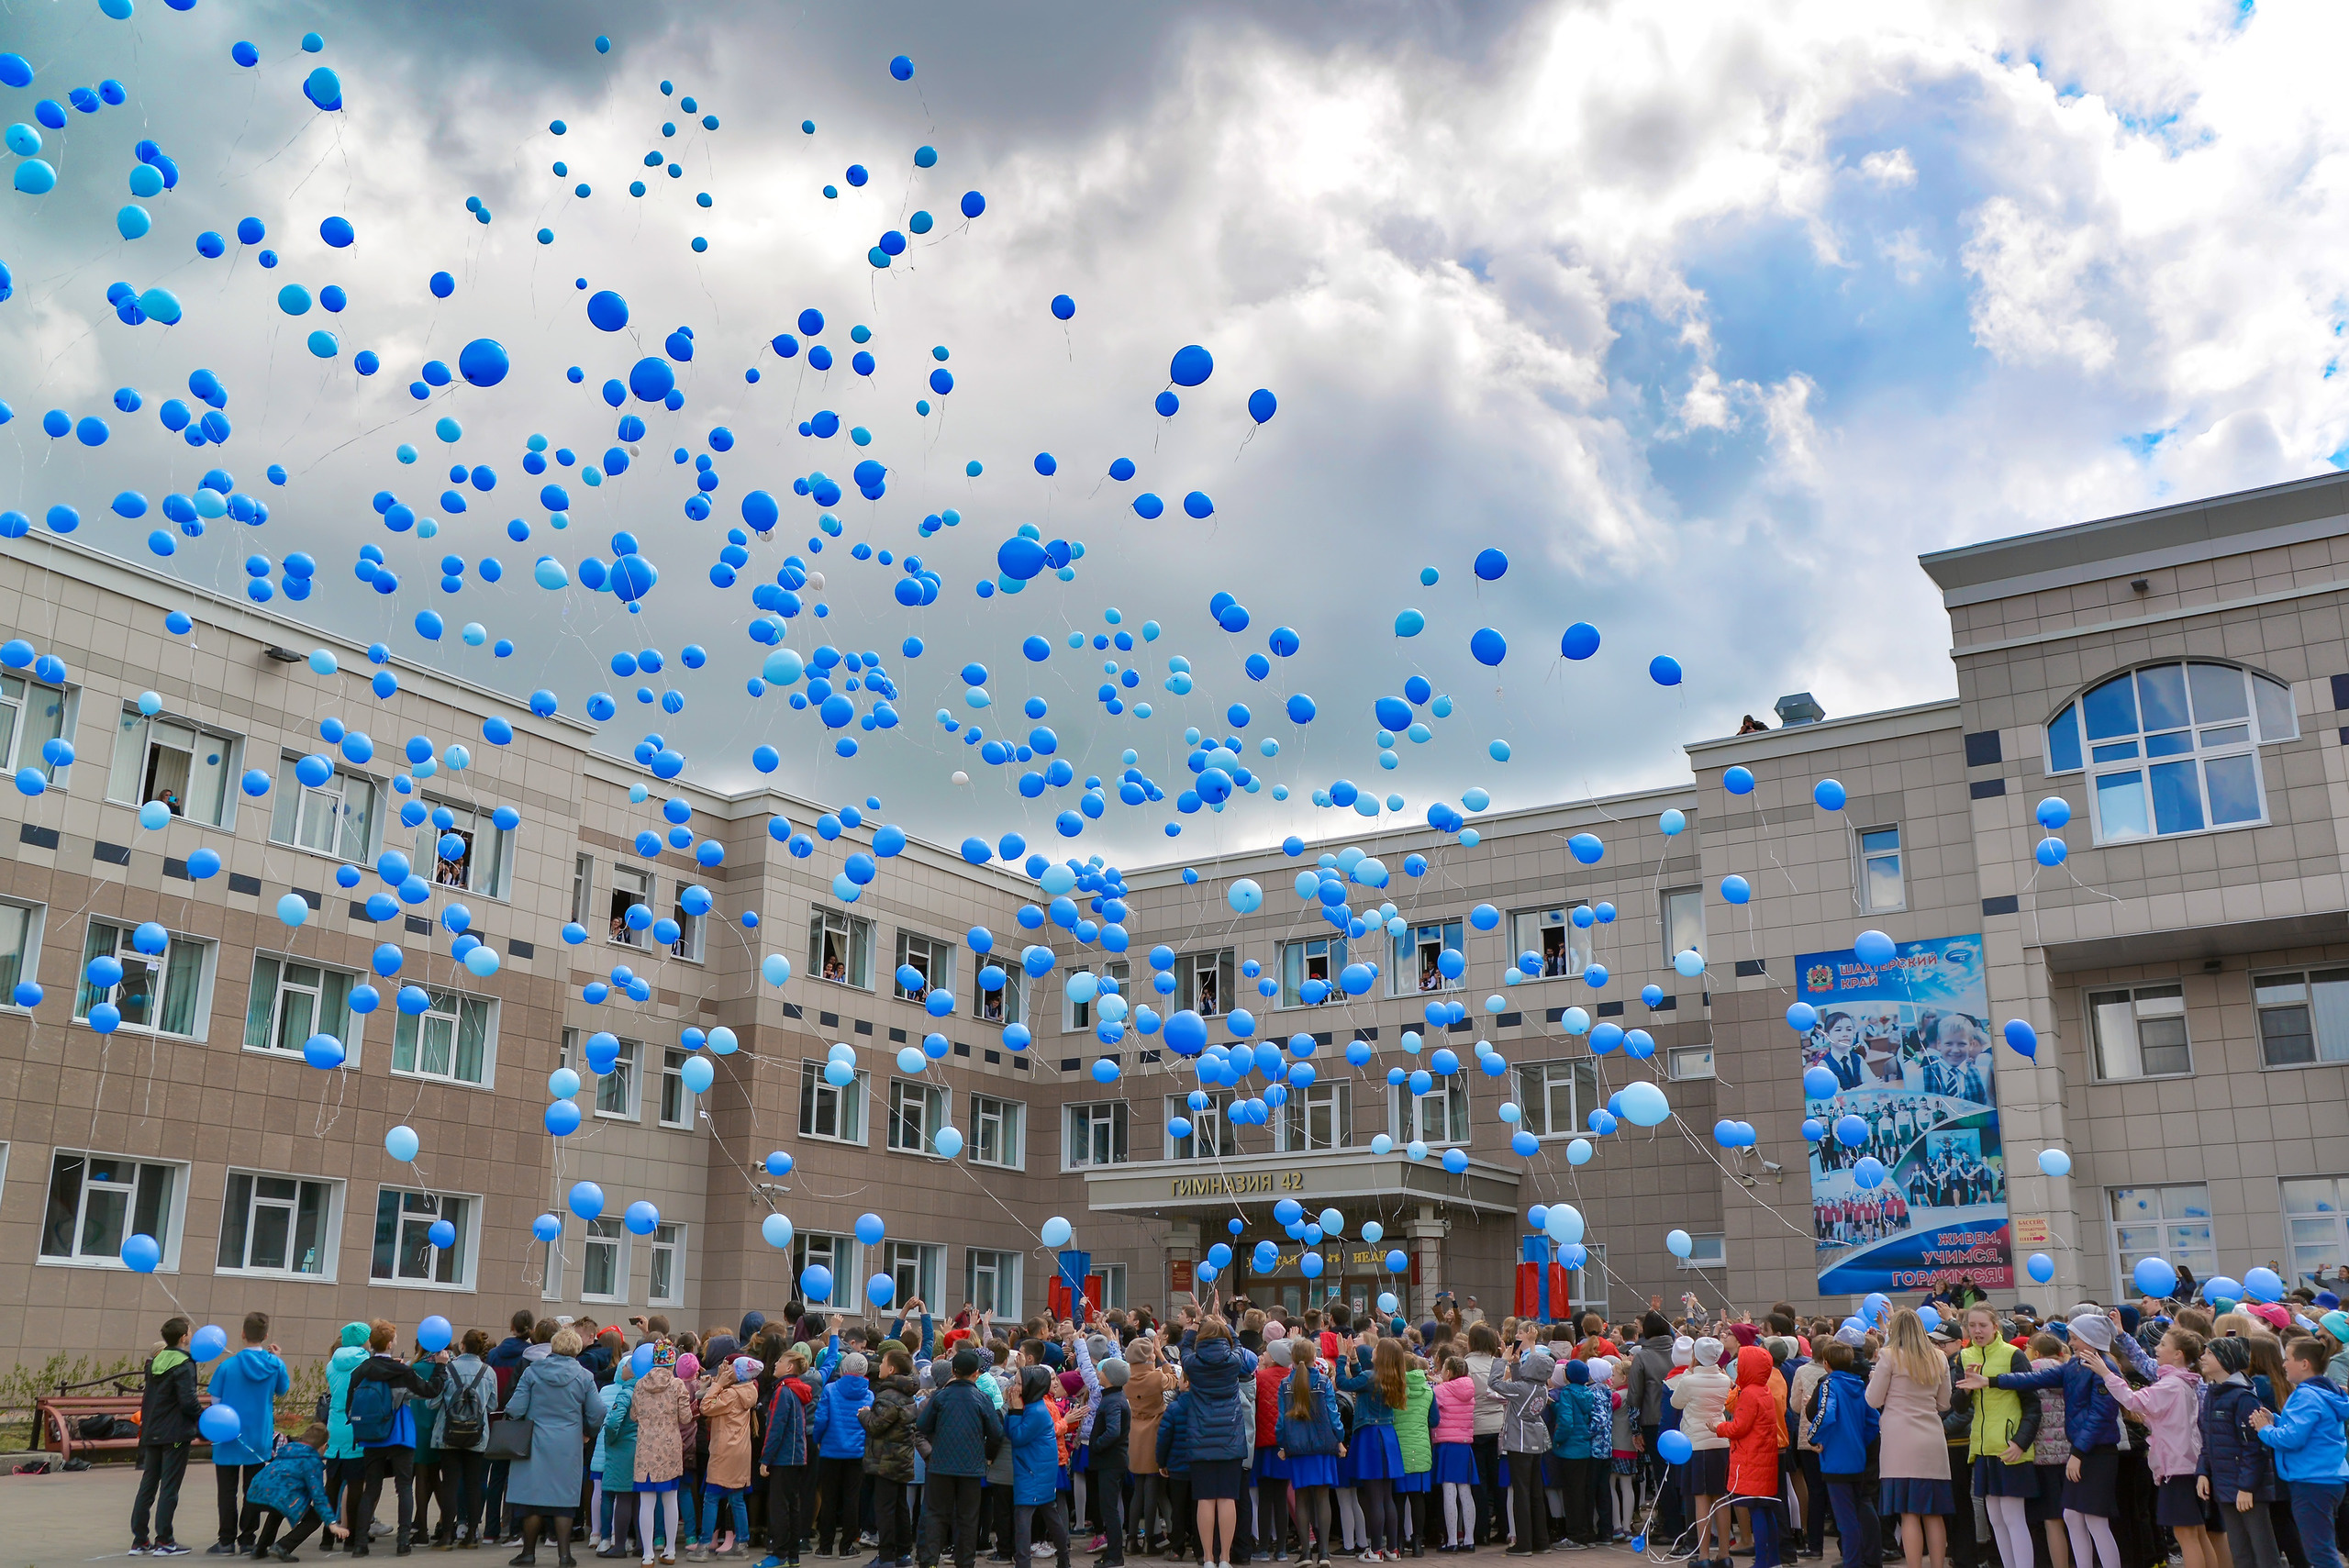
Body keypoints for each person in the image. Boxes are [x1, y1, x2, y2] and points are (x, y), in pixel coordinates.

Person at [1963, 1314, 2126, 1568]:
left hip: (2097, 1453)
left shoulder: (2105, 1369)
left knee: (2096, 1520)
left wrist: (2079, 1454)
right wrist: (1990, 1381)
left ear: (2092, 1340)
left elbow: (2100, 1417)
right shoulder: (2074, 1365)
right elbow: (2032, 1379)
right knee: (2072, 1517)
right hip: (2081, 1450)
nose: (2070, 1343)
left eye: (2075, 1338)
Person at [505, 1326, 610, 1568]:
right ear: (576, 1348)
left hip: (535, 1441)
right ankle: (565, 1556)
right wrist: (587, 1431)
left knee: (533, 1499)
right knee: (563, 1500)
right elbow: (598, 1412)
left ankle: (528, 1553)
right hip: (568, 1443)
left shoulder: (532, 1372)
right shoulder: (584, 1376)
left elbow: (516, 1407)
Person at [346, 1321, 451, 1557]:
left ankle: (360, 1543)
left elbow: (350, 1404)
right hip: (400, 1434)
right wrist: (440, 1367)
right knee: (404, 1487)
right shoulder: (401, 1372)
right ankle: (403, 1542)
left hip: (371, 1436)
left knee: (371, 1489)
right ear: (391, 1344)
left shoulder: (361, 1370)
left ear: (372, 1344)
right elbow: (430, 1391)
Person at [2248, 1339, 2349, 1568]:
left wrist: (2265, 1429)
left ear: (2304, 1364)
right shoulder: (2324, 1391)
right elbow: (2315, 1430)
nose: (2283, 1364)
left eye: (2287, 1359)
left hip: (2312, 1481)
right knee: (2321, 1547)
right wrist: (2278, 1421)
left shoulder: (2306, 1395)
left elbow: (2292, 1439)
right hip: (2327, 1477)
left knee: (2320, 1552)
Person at [1954, 1307, 2041, 1568]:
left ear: (1995, 1327)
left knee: (2014, 1518)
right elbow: (1957, 1406)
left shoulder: (2013, 1355)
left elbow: (2033, 1404)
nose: (1977, 1331)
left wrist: (2020, 1442)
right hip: (1982, 1448)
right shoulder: (1964, 1355)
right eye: (1972, 1325)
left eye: (1982, 1325)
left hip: (2010, 1447)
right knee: (1996, 1520)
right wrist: (1967, 1389)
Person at [1866, 1310, 1952, 1568]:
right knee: (1934, 1512)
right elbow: (1945, 1402)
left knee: (1909, 1512)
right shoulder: (1939, 1357)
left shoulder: (1888, 1356)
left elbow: (1873, 1400)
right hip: (1932, 1438)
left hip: (1899, 1440)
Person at [914, 1347, 1006, 1568]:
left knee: (936, 1515)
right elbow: (996, 1433)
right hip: (971, 1468)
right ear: (976, 1373)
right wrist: (987, 1456)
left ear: (953, 1371)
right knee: (968, 1518)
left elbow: (923, 1425)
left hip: (940, 1465)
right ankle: (965, 1563)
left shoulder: (940, 1397)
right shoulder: (982, 1399)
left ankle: (929, 1562)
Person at [211, 1311, 292, 1557]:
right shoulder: (275, 1364)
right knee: (253, 1489)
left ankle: (225, 1541)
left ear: (243, 1334)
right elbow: (282, 1391)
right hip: (259, 1436)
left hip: (228, 1435)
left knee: (227, 1490)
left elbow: (215, 1402)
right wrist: (276, 1359)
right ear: (266, 1336)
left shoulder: (227, 1365)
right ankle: (248, 1539)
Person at [2197, 1336, 2282, 1568]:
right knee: (2240, 1551)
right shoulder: (2213, 1394)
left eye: (2210, 1354)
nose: (2202, 1357)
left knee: (2263, 1551)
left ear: (2226, 1359)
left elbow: (2254, 1447)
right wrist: (2203, 1472)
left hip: (2247, 1488)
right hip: (2224, 1485)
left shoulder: (2244, 1397)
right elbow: (2208, 1440)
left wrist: (2246, 1487)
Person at [1180, 1314, 1248, 1568]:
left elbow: (1184, 1348)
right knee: (1228, 1498)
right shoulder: (1233, 1361)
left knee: (1205, 1499)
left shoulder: (1193, 1364)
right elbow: (1239, 1343)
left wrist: (1195, 1325)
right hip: (1230, 1437)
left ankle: (1208, 1557)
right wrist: (1225, 1322)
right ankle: (1225, 1558)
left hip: (1201, 1436)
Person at [134, 1315, 203, 1557]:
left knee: (148, 1485)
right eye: (190, 1331)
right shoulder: (184, 1364)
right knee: (169, 1488)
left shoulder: (156, 1361)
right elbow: (188, 1401)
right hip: (174, 1433)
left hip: (151, 1431)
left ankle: (140, 1540)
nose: (192, 1334)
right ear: (184, 1337)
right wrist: (202, 1420)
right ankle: (164, 1540)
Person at [1334, 1331, 1407, 1562]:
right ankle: (1391, 1548)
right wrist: (1354, 1359)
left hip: (1369, 1436)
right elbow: (1360, 1382)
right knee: (1386, 1496)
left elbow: (1344, 1383)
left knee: (1374, 1497)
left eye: (1376, 1349)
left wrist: (1342, 1357)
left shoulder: (1370, 1376)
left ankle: (1375, 1550)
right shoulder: (1390, 1376)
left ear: (1382, 1355)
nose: (1372, 1351)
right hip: (1386, 1434)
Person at [1809, 1342, 1879, 1568]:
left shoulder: (1829, 1384)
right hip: (1857, 1457)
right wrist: (1858, 1441)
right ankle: (1868, 1558)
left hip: (1836, 1460)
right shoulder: (1859, 1384)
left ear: (1826, 1364)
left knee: (1845, 1519)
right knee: (1862, 1509)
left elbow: (1825, 1415)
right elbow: (1872, 1421)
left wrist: (1814, 1438)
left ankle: (1852, 1562)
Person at [1277, 1340, 1347, 1565]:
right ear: (1312, 1357)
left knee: (1301, 1499)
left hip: (1297, 1447)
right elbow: (1332, 1413)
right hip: (1322, 1445)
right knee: (1322, 1497)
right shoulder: (1324, 1381)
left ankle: (1306, 1552)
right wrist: (1340, 1438)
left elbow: (1281, 1420)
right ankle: (1325, 1553)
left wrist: (1282, 1444)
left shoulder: (1286, 1383)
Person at [1716, 1346, 1786, 1568]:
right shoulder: (1763, 1390)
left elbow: (1739, 1427)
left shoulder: (1749, 1394)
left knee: (1756, 1511)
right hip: (1764, 1459)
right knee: (1766, 1511)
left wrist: (1718, 1428)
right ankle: (1773, 1559)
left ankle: (1762, 1562)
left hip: (1750, 1460)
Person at [431, 1329, 498, 1551]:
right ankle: (471, 1534)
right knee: (474, 1484)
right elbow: (492, 1406)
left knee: (450, 1484)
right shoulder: (488, 1372)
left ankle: (447, 1535)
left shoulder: (448, 1369)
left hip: (448, 1434)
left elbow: (431, 1403)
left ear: (462, 1346)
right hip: (477, 1435)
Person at [1671, 1337, 1734, 1568]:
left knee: (1701, 1500)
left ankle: (1704, 1555)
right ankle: (1725, 1554)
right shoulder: (1724, 1379)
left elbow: (1676, 1403)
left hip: (1696, 1444)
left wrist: (1687, 1374)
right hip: (1721, 1441)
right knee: (1722, 1498)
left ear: (1695, 1356)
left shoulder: (1690, 1380)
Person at [249, 1424, 353, 1561]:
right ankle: (283, 1546)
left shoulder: (288, 1451)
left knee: (278, 1509)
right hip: (278, 1496)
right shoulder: (311, 1462)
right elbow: (319, 1495)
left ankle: (260, 1548)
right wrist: (332, 1524)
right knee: (314, 1518)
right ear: (323, 1446)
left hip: (255, 1492)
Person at [1489, 1337, 1552, 1559]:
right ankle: (1541, 1540)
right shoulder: (1541, 1388)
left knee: (1521, 1494)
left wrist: (1502, 1361)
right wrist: (1515, 1365)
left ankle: (1523, 1543)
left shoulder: (1522, 1388)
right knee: (1535, 1492)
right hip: (1535, 1442)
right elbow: (1519, 1387)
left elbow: (1495, 1384)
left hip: (1519, 1442)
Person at [1006, 1366, 1072, 1568]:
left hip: (1033, 1471)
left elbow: (1017, 1437)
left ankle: (1024, 1562)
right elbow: (1010, 1432)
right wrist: (1014, 1409)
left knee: (1024, 1517)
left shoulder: (1036, 1410)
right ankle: (1064, 1559)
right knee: (1049, 1513)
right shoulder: (1032, 1405)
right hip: (1035, 1468)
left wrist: (1015, 1410)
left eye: (1019, 1383)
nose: (1014, 1387)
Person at [632, 1345, 692, 1568]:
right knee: (670, 1500)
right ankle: (670, 1550)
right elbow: (685, 1418)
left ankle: (647, 1555)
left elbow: (633, 1415)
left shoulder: (640, 1385)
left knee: (646, 1503)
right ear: (672, 1361)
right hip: (669, 1450)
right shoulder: (677, 1385)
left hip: (645, 1449)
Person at [861, 1347, 920, 1568]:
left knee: (885, 1510)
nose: (880, 1367)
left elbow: (876, 1427)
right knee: (900, 1507)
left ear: (892, 1368)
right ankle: (903, 1554)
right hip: (902, 1460)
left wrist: (864, 1414)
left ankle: (886, 1557)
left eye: (884, 1362)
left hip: (885, 1461)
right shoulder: (907, 1393)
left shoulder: (887, 1396)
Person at [697, 1356, 760, 1562]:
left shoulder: (731, 1394)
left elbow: (706, 1407)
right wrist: (722, 1379)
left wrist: (719, 1384)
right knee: (736, 1498)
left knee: (711, 1497)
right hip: (740, 1450)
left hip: (724, 1450)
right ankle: (741, 1543)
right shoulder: (748, 1389)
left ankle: (704, 1545)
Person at [756, 1350, 812, 1568]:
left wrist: (765, 1458)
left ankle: (778, 1554)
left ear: (789, 1368)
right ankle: (792, 1555)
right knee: (793, 1507)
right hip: (797, 1456)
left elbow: (775, 1427)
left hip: (782, 1458)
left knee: (779, 1508)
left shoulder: (783, 1391)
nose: (776, 1363)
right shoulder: (798, 1390)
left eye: (780, 1361)